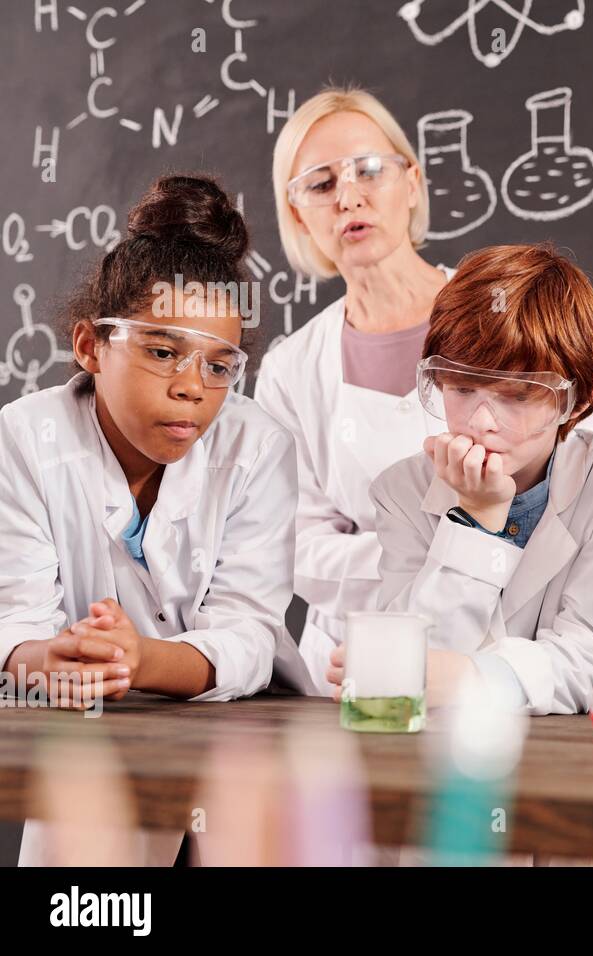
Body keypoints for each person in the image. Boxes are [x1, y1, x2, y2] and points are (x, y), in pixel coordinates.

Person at [257, 86, 593, 694]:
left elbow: (574, 442)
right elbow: (295, 544)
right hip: (365, 657)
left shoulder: (497, 307)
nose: (348, 196)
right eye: (320, 183)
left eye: (368, 169)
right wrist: (448, 537)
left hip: (521, 653)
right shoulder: (293, 370)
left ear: (412, 183)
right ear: (297, 214)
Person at [0, 174, 309, 865]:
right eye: (163, 352)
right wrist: (49, 660)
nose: (192, 387)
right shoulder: (23, 439)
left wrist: (140, 658)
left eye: (220, 365)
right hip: (96, 735)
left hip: (241, 728)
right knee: (99, 902)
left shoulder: (259, 446)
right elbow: (14, 620)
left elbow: (249, 631)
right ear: (91, 345)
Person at [323, 243, 593, 715]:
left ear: (582, 398)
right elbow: (411, 672)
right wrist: (476, 520)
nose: (482, 422)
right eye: (462, 388)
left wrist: (474, 678)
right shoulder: (401, 491)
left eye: (518, 396)